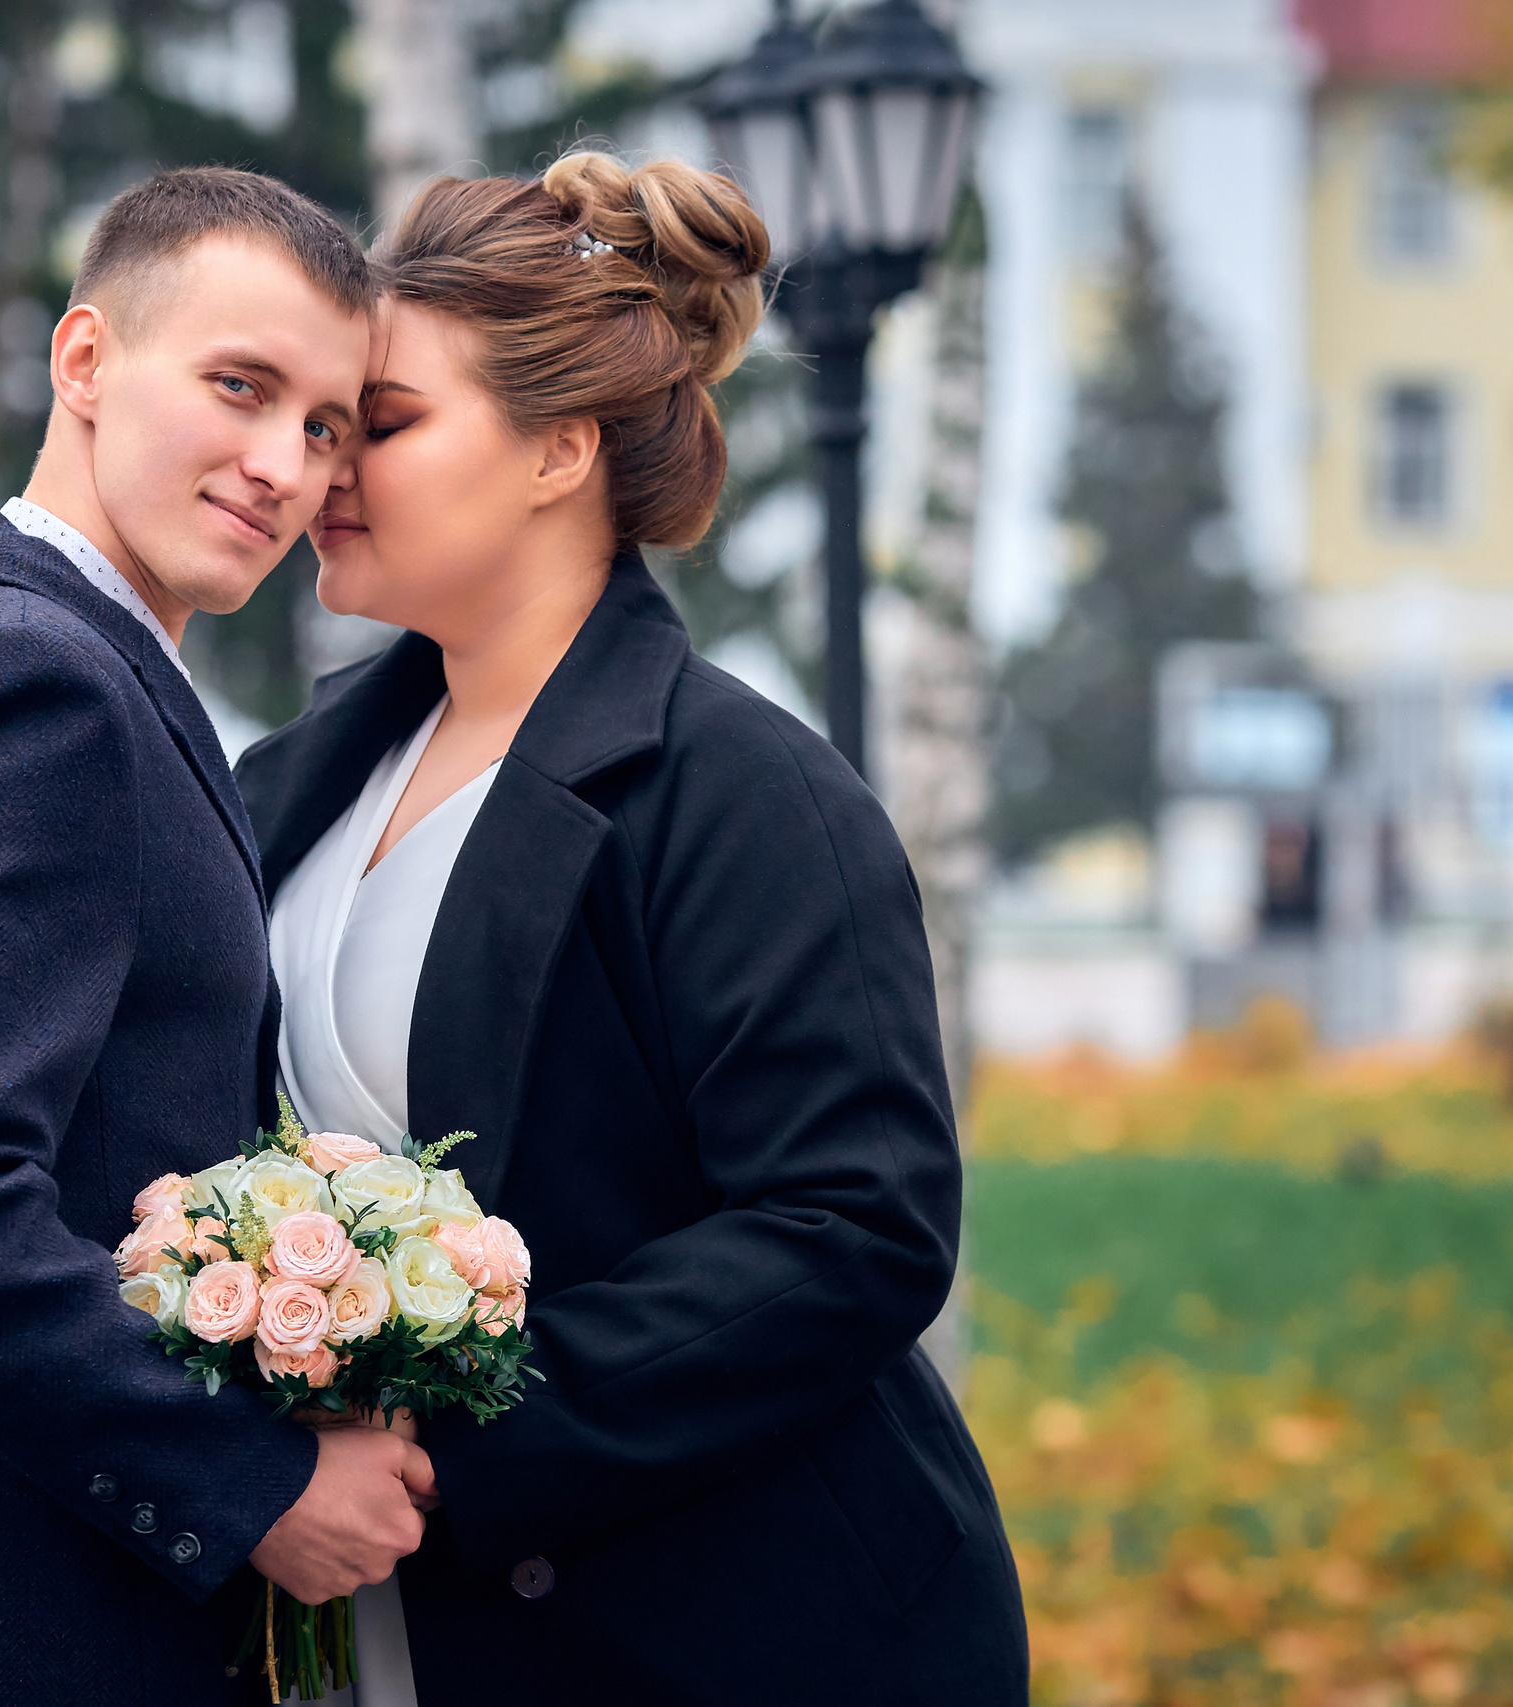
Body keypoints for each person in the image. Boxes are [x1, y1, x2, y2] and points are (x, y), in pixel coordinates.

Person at [235, 152, 1030, 1707]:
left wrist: (455, 1438)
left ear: (561, 453)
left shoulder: (747, 793)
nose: (322, 470)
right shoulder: (292, 781)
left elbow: (852, 1226)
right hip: (369, 1613)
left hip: (722, 1624)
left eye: (381, 424)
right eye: (327, 428)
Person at [0, 167, 435, 1706]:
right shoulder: (33, 689)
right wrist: (252, 1485)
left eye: (323, 426)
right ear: (86, 360)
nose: (283, 466)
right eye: (240, 387)